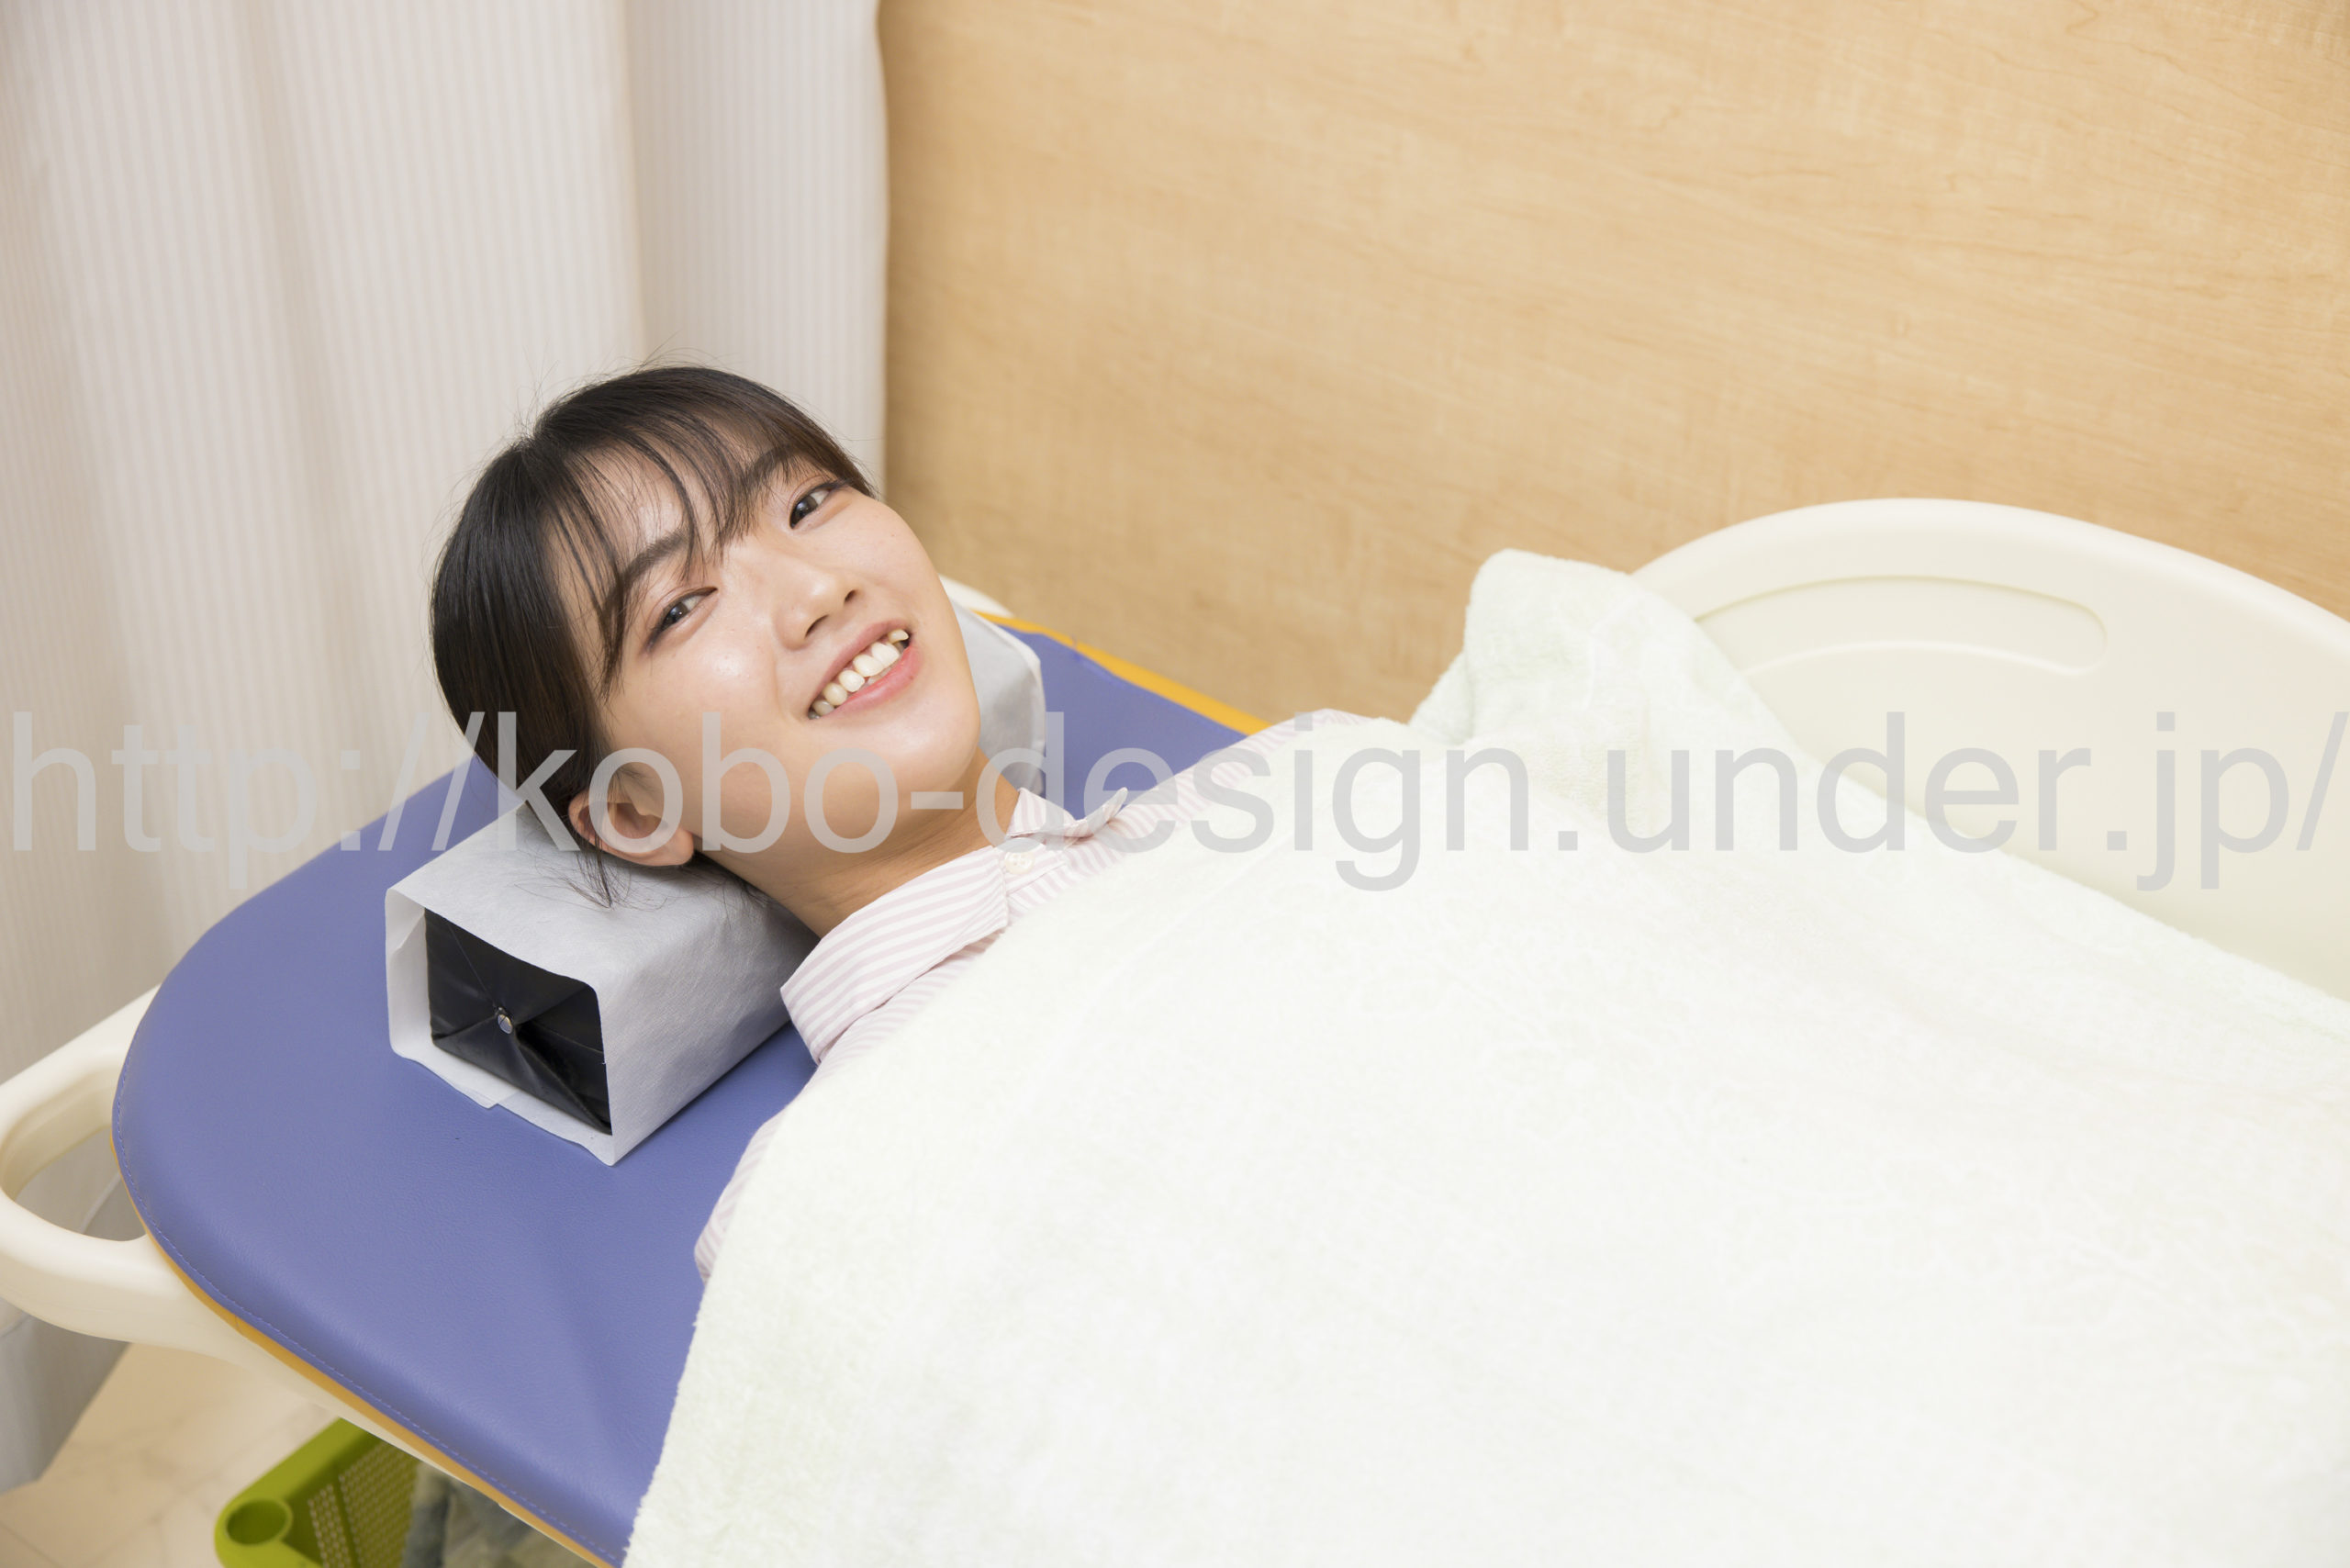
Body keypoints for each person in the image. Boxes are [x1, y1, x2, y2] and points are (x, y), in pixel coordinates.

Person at [431, 365, 1348, 1276]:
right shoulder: (810, 1208)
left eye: (807, 504)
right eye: (681, 606)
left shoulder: (1306, 777)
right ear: (636, 814)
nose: (819, 589)